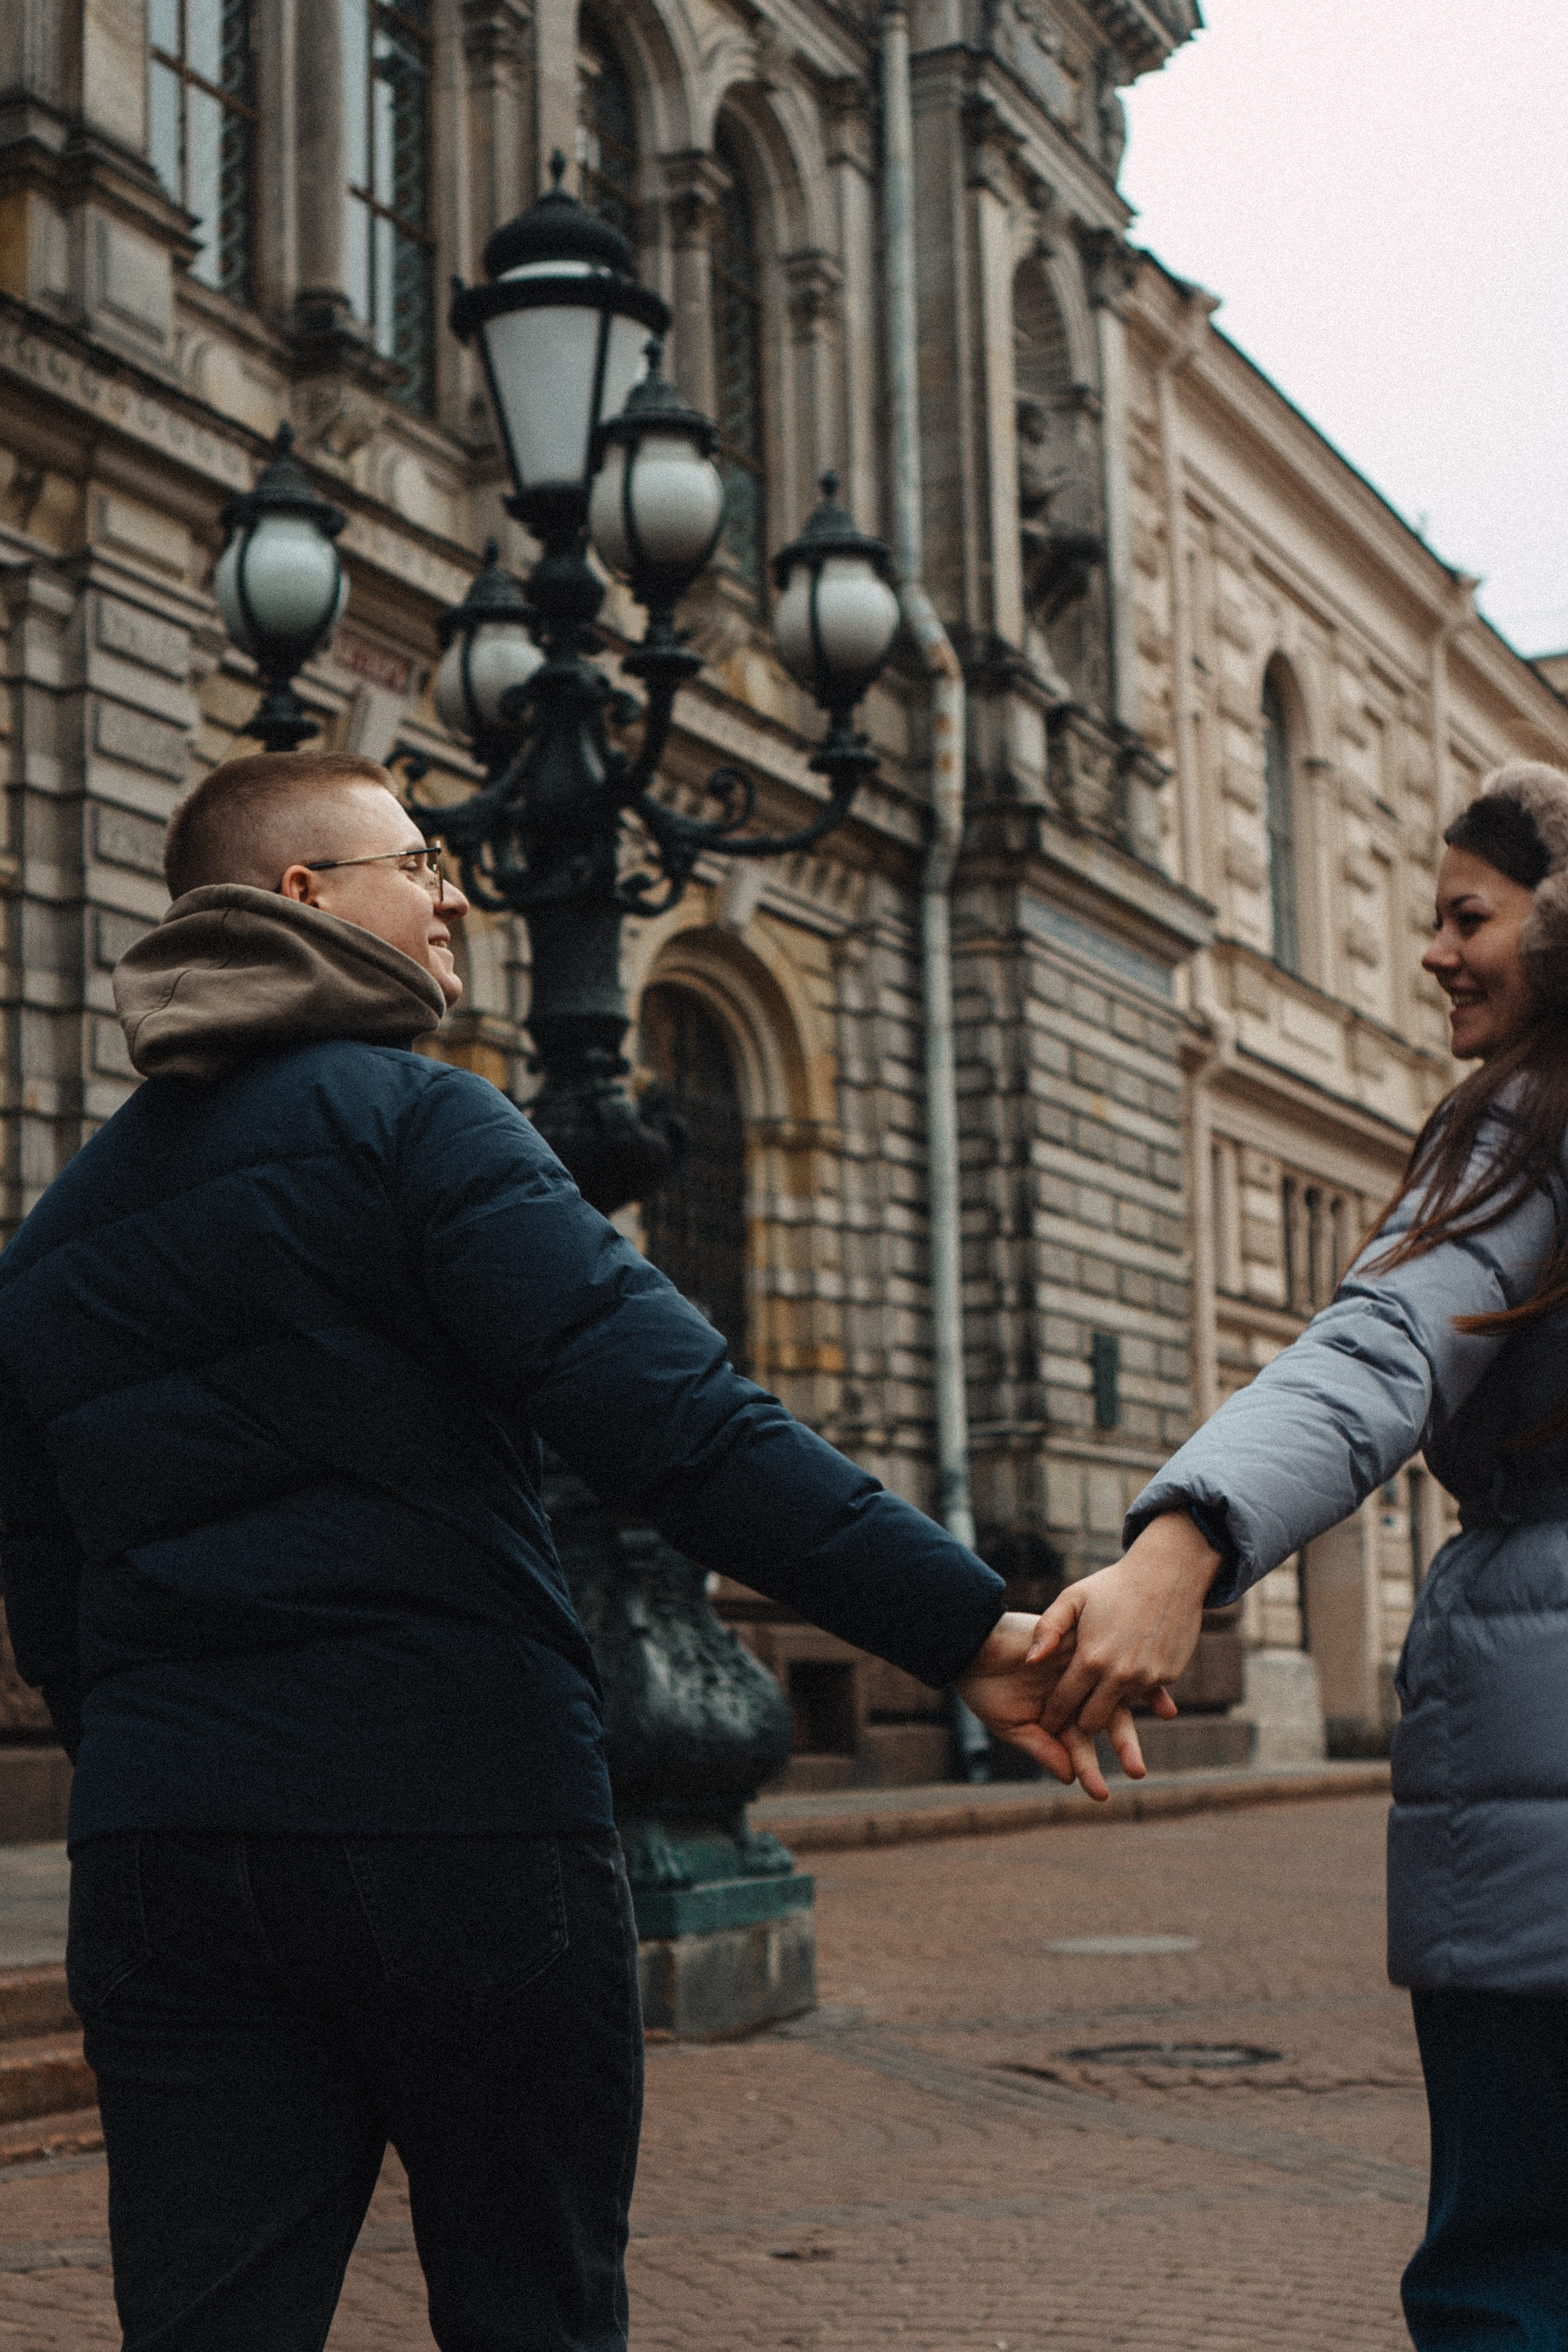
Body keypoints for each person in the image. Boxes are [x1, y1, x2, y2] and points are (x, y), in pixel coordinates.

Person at [0, 748, 1144, 2352]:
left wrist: (180, 1754)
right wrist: (966, 1632)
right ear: (302, 899)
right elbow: (686, 1428)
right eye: (415, 860)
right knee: (531, 2304)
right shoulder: (421, 1128)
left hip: (170, 1854)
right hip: (461, 1824)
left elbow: (55, 1607)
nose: (454, 883)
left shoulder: (54, 1242)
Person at [1028, 758, 1568, 2346]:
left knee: (1514, 2266)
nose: (1434, 953)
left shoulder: (1529, 1120)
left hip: (1538, 1852)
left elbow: (1374, 1351)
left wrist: (1177, 1550)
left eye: (1470, 916)